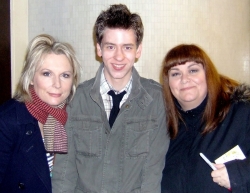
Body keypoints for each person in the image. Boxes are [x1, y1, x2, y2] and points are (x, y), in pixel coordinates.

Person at [52, 4, 169, 193]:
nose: (119, 56)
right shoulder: (75, 99)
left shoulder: (157, 100)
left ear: (138, 50)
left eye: (127, 47)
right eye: (110, 46)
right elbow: (64, 173)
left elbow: (152, 176)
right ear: (99, 49)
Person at [160, 44, 250, 193]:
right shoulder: (164, 128)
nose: (185, 79)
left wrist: (238, 174)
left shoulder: (241, 114)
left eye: (193, 70)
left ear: (208, 74)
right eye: (175, 74)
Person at [0, 34, 81, 193]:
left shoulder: (72, 118)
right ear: (30, 77)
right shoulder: (7, 120)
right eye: (47, 74)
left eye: (65, 75)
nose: (57, 84)